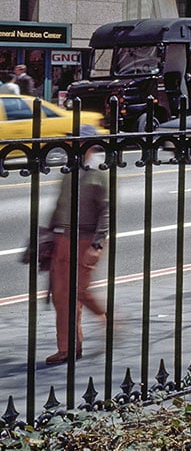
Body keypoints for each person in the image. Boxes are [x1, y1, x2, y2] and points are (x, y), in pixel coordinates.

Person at [44, 145, 110, 364]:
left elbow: (106, 210)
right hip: (61, 238)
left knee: (78, 290)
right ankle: (68, 348)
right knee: (61, 295)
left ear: (89, 147)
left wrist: (97, 244)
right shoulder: (68, 170)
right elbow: (60, 204)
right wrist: (50, 234)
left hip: (85, 239)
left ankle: (105, 318)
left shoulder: (98, 172)